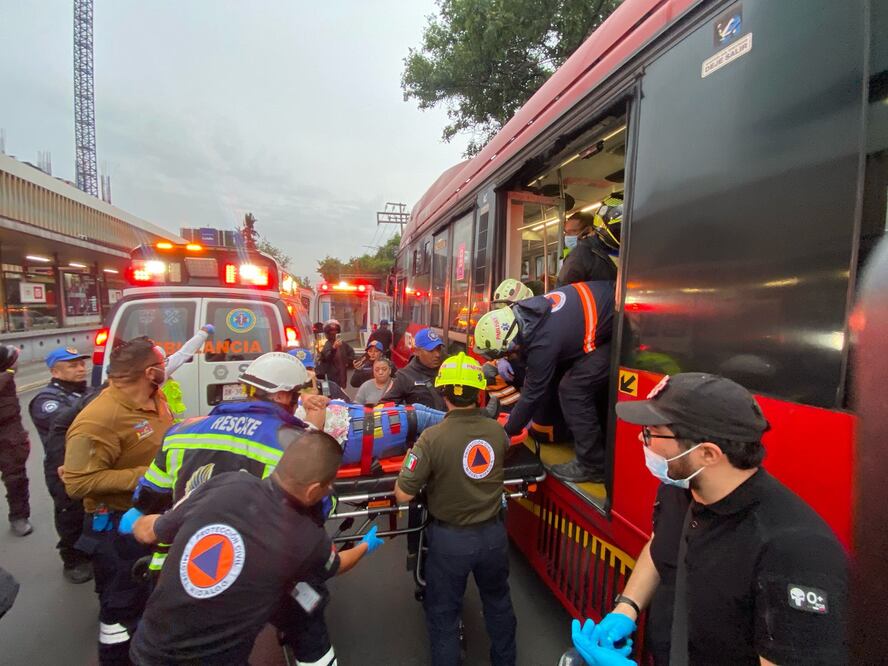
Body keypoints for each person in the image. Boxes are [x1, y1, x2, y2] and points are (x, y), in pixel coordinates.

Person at [570, 373, 848, 666]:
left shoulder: (793, 551)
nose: (641, 437)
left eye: (652, 432)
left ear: (707, 454)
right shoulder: (681, 487)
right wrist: (626, 608)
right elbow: (661, 541)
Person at [128, 431, 383, 665]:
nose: (328, 489)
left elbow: (150, 531)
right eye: (328, 485)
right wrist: (364, 546)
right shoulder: (307, 538)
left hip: (149, 647)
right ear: (313, 490)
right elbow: (337, 564)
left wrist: (135, 522)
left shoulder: (227, 483)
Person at [395, 352, 516, 666]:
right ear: (479, 392)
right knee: (499, 603)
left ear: (442, 392)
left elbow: (403, 495)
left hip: (450, 542)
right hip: (493, 536)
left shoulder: (431, 439)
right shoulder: (498, 433)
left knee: (444, 613)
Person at [62, 337, 175, 664]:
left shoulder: (156, 397)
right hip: (116, 529)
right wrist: (150, 474)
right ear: (151, 372)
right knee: (121, 612)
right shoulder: (100, 418)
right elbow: (78, 481)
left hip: (151, 521)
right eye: (163, 366)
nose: (166, 371)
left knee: (151, 600)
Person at [474, 280, 615, 483]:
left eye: (505, 352)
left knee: (572, 389)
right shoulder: (526, 309)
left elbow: (532, 395)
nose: (506, 356)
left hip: (623, 324)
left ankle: (593, 465)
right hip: (613, 304)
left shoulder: (543, 343)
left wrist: (507, 432)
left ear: (510, 341)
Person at [28, 346, 93, 582]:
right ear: (55, 372)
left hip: (89, 462)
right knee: (70, 514)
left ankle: (89, 550)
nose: (80, 369)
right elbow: (64, 421)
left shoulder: (85, 392)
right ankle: (72, 559)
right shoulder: (46, 399)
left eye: (81, 364)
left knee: (91, 511)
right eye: (73, 365)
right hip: (62, 466)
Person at [0, 345, 33, 537]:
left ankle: (19, 516)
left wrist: (10, 368)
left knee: (15, 478)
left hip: (8, 430)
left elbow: (12, 356)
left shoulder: (6, 368)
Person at [555, 195, 621, 288]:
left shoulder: (622, 251)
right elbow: (563, 292)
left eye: (573, 232)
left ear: (588, 230)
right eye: (567, 233)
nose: (568, 237)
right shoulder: (581, 254)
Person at [382, 327, 446, 410]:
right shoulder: (403, 377)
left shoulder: (448, 367)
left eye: (438, 349)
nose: (437, 354)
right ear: (417, 351)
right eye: (431, 351)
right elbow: (384, 406)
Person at [316, 319, 354, 388]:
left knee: (339, 395)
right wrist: (334, 348)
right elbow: (327, 357)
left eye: (335, 331)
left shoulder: (343, 344)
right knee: (326, 395)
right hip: (327, 379)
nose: (333, 333)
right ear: (327, 333)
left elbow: (351, 353)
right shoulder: (326, 344)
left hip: (341, 378)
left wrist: (347, 362)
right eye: (331, 332)